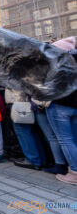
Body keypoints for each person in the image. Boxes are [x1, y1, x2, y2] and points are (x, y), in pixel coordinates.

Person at [46, 37, 77, 185]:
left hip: (60, 104)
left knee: (65, 140)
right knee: (74, 140)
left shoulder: (60, 62)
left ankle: (75, 173)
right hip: (75, 105)